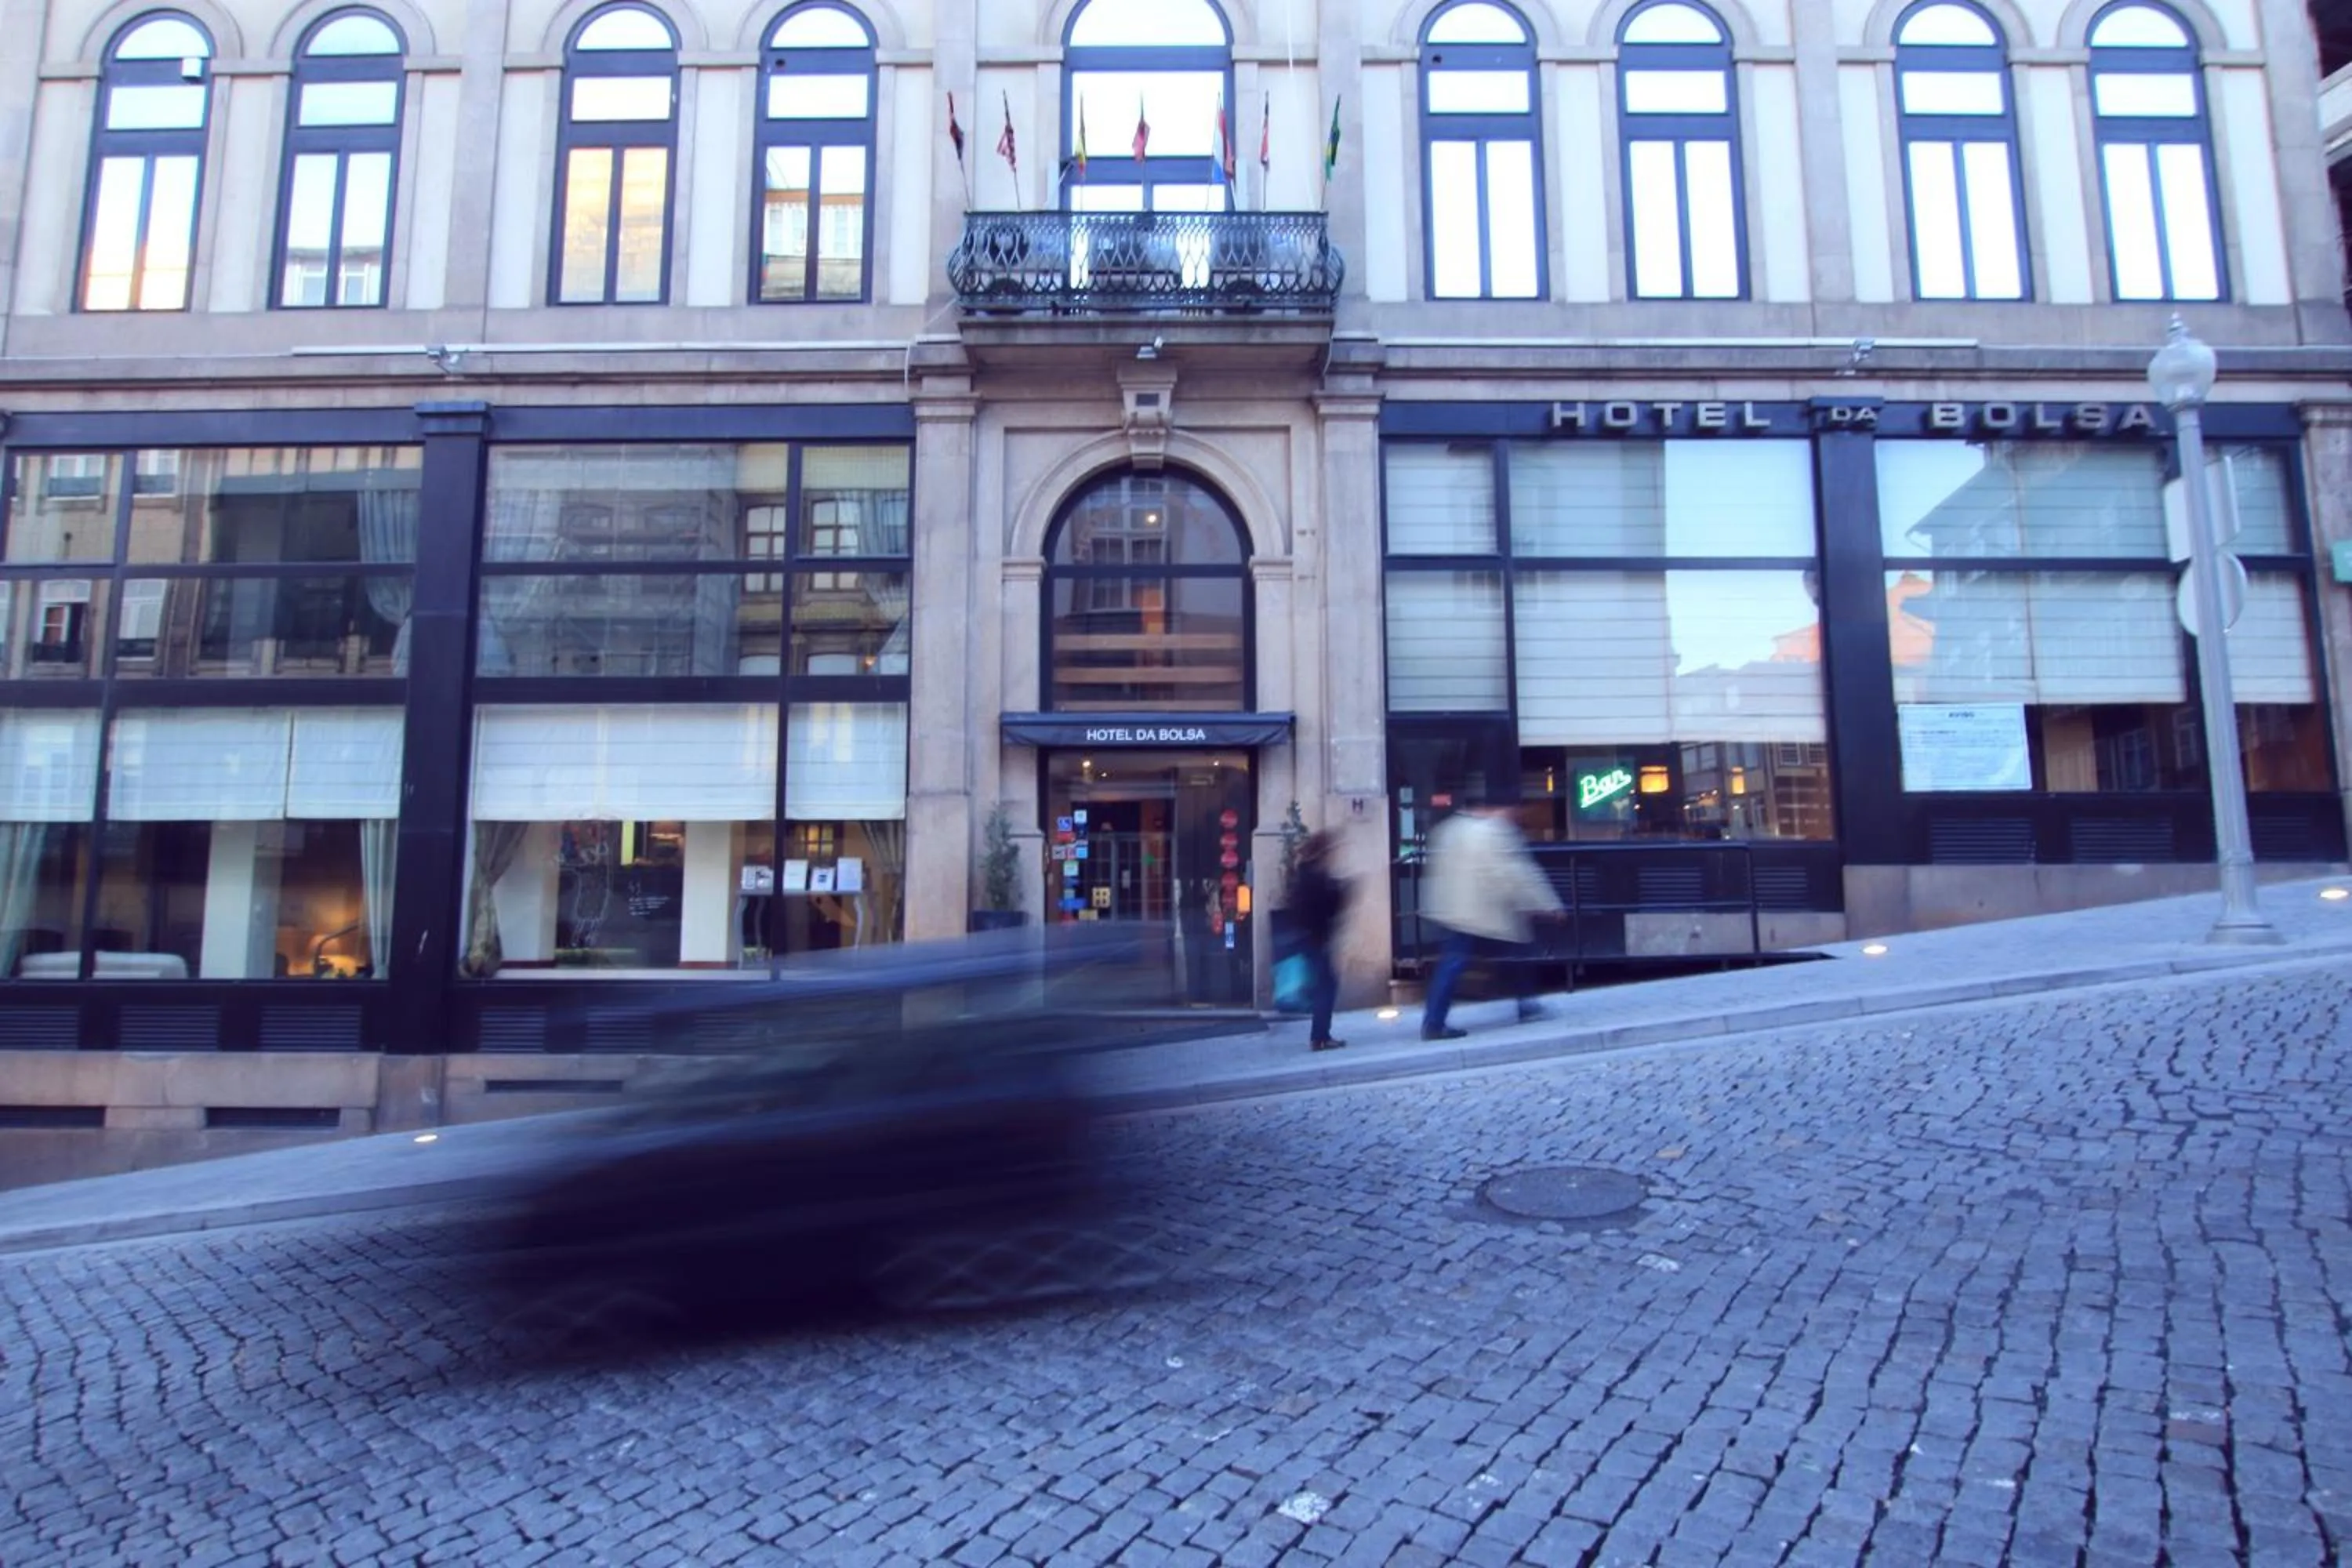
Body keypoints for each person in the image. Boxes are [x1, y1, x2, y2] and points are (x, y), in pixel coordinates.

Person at [1417, 791, 1564, 1041]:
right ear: (1492, 808)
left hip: (1454, 911)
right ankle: (1527, 1006)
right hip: (1483, 912)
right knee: (1517, 955)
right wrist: (1547, 904)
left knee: (1453, 965)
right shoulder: (1492, 832)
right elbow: (1514, 874)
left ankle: (1434, 1021)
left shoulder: (1448, 829)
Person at [1283, 829, 1355, 1052]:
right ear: (1323, 851)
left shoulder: (1305, 872)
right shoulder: (1315, 875)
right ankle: (1320, 1037)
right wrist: (1342, 892)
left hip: (1311, 938)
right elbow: (1325, 907)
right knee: (1326, 987)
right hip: (1317, 939)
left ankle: (1321, 1035)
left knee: (1323, 985)